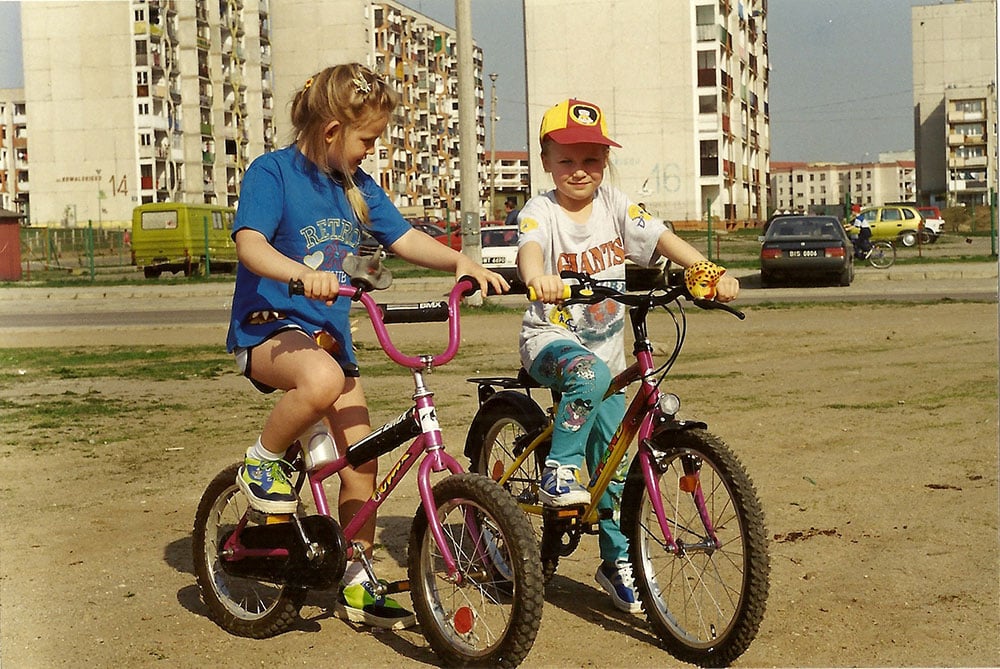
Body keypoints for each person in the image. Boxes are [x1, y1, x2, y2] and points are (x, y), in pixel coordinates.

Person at [226, 63, 508, 630]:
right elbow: (251, 245)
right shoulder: (273, 173)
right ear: (332, 130)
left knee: (362, 460)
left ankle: (355, 581)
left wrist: (461, 262)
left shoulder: (356, 189)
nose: (371, 152)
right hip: (269, 329)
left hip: (328, 339)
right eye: (368, 140)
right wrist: (300, 277)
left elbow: (402, 239)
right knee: (322, 382)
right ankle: (262, 463)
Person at [515, 98, 739, 614]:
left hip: (609, 359)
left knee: (619, 465)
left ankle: (618, 563)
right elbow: (529, 248)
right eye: (566, 159)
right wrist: (536, 278)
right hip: (550, 341)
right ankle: (561, 469)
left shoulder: (617, 205)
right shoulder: (541, 211)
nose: (579, 170)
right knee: (586, 375)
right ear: (546, 160)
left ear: (605, 163)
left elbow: (660, 236)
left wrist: (706, 271)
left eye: (591, 159)